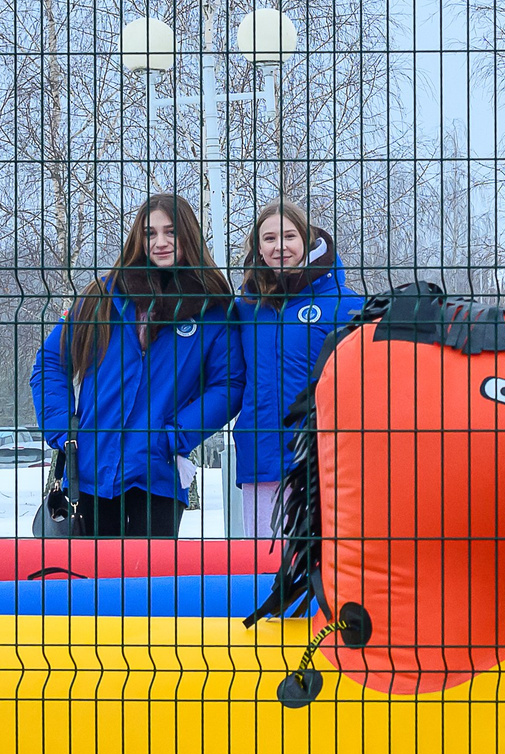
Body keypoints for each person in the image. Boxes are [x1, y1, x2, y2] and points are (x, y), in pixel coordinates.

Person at [31, 193, 243, 538]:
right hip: (89, 472)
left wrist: (175, 435)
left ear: (188, 236)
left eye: (170, 232)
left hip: (158, 473)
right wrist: (63, 429)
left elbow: (228, 385)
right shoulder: (100, 298)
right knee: (89, 587)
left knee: (147, 585)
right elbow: (50, 363)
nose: (160, 242)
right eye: (150, 233)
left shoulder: (213, 311)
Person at [231, 201, 362, 538]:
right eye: (270, 238)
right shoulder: (244, 308)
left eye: (289, 236)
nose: (280, 246)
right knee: (263, 567)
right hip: (260, 458)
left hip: (322, 461)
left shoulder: (345, 305)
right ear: (258, 248)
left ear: (307, 240)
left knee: (321, 565)